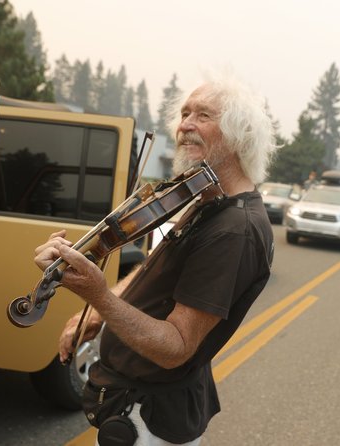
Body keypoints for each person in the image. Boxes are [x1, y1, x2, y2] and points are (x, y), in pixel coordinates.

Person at [33, 73, 277, 445]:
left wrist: (99, 297)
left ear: (239, 135)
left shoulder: (235, 230)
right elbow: (151, 270)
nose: (185, 126)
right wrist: (98, 316)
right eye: (184, 114)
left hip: (150, 421)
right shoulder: (205, 200)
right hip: (135, 404)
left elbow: (176, 346)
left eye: (203, 116)